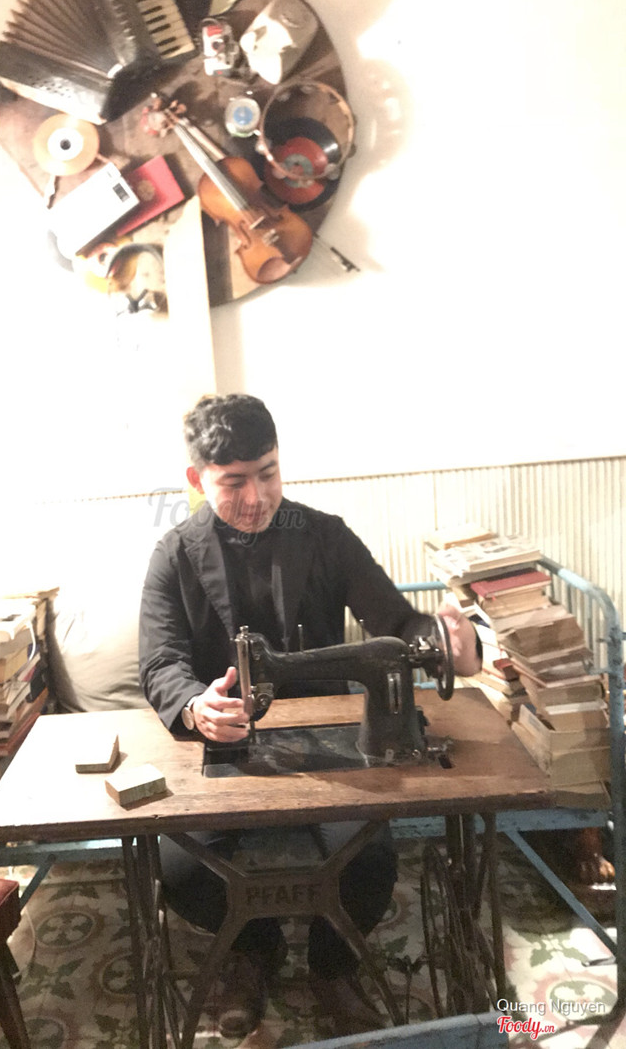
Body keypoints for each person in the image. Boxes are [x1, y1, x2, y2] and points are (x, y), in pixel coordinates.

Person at [139, 394, 480, 1039]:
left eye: (267, 473)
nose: (256, 497)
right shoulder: (175, 554)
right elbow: (160, 662)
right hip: (230, 740)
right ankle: (252, 948)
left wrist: (448, 646)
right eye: (234, 482)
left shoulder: (325, 536)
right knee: (182, 870)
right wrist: (195, 705)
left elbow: (396, 622)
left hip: (331, 741)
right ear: (196, 479)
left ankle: (333, 964)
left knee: (370, 858)